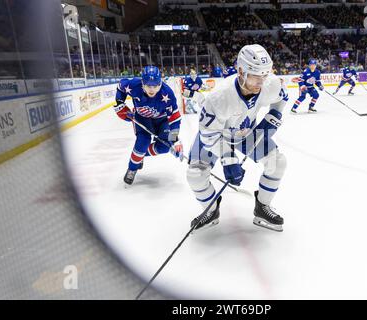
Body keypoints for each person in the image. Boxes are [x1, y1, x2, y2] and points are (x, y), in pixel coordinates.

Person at [186, 44, 288, 233]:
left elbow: (282, 95)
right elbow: (208, 135)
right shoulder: (219, 97)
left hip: (245, 133)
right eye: (256, 75)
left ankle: (262, 207)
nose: (262, 81)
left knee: (277, 163)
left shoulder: (268, 83)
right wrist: (228, 159)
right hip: (217, 136)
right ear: (241, 71)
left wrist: (274, 115)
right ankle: (211, 210)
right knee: (196, 174)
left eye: (265, 75)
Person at [114, 66, 183, 185]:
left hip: (162, 120)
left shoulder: (167, 93)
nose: (152, 90)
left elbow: (174, 117)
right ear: (142, 83)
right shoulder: (134, 85)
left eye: (155, 86)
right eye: (148, 86)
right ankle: (132, 168)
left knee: (164, 147)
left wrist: (175, 140)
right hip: (142, 118)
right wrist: (120, 103)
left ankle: (139, 155)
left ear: (160, 83)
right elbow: (120, 87)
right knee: (143, 142)